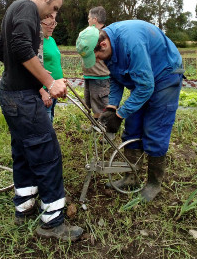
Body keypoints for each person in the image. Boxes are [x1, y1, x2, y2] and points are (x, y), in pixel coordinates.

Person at [0, 0, 83, 241]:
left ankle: (24, 204)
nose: (51, 15)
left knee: (23, 149)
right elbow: (22, 48)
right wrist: (48, 82)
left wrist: (27, 79)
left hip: (10, 93)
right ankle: (52, 222)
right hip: (23, 100)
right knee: (47, 154)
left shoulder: (13, 8)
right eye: (53, 7)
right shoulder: (27, 8)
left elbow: (3, 50)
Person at [76, 20, 184, 202]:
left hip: (165, 74)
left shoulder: (131, 43)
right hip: (145, 78)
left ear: (103, 44)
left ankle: (153, 184)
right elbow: (118, 78)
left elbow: (146, 86)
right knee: (132, 123)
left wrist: (119, 115)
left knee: (155, 128)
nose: (99, 61)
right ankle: (131, 177)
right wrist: (112, 107)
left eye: (98, 56)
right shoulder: (109, 46)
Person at [80, 7, 111, 133]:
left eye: (88, 18)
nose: (87, 20)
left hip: (100, 76)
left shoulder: (104, 35)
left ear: (95, 19)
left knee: (103, 104)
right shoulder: (90, 33)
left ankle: (109, 131)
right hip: (90, 75)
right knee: (93, 104)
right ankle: (96, 127)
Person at [39, 16, 63, 123]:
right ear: (39, 24)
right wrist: (42, 92)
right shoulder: (38, 43)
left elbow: (55, 64)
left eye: (54, 24)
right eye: (49, 24)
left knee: (51, 117)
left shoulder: (51, 40)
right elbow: (33, 69)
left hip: (54, 87)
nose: (52, 27)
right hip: (45, 88)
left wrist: (61, 84)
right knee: (45, 123)